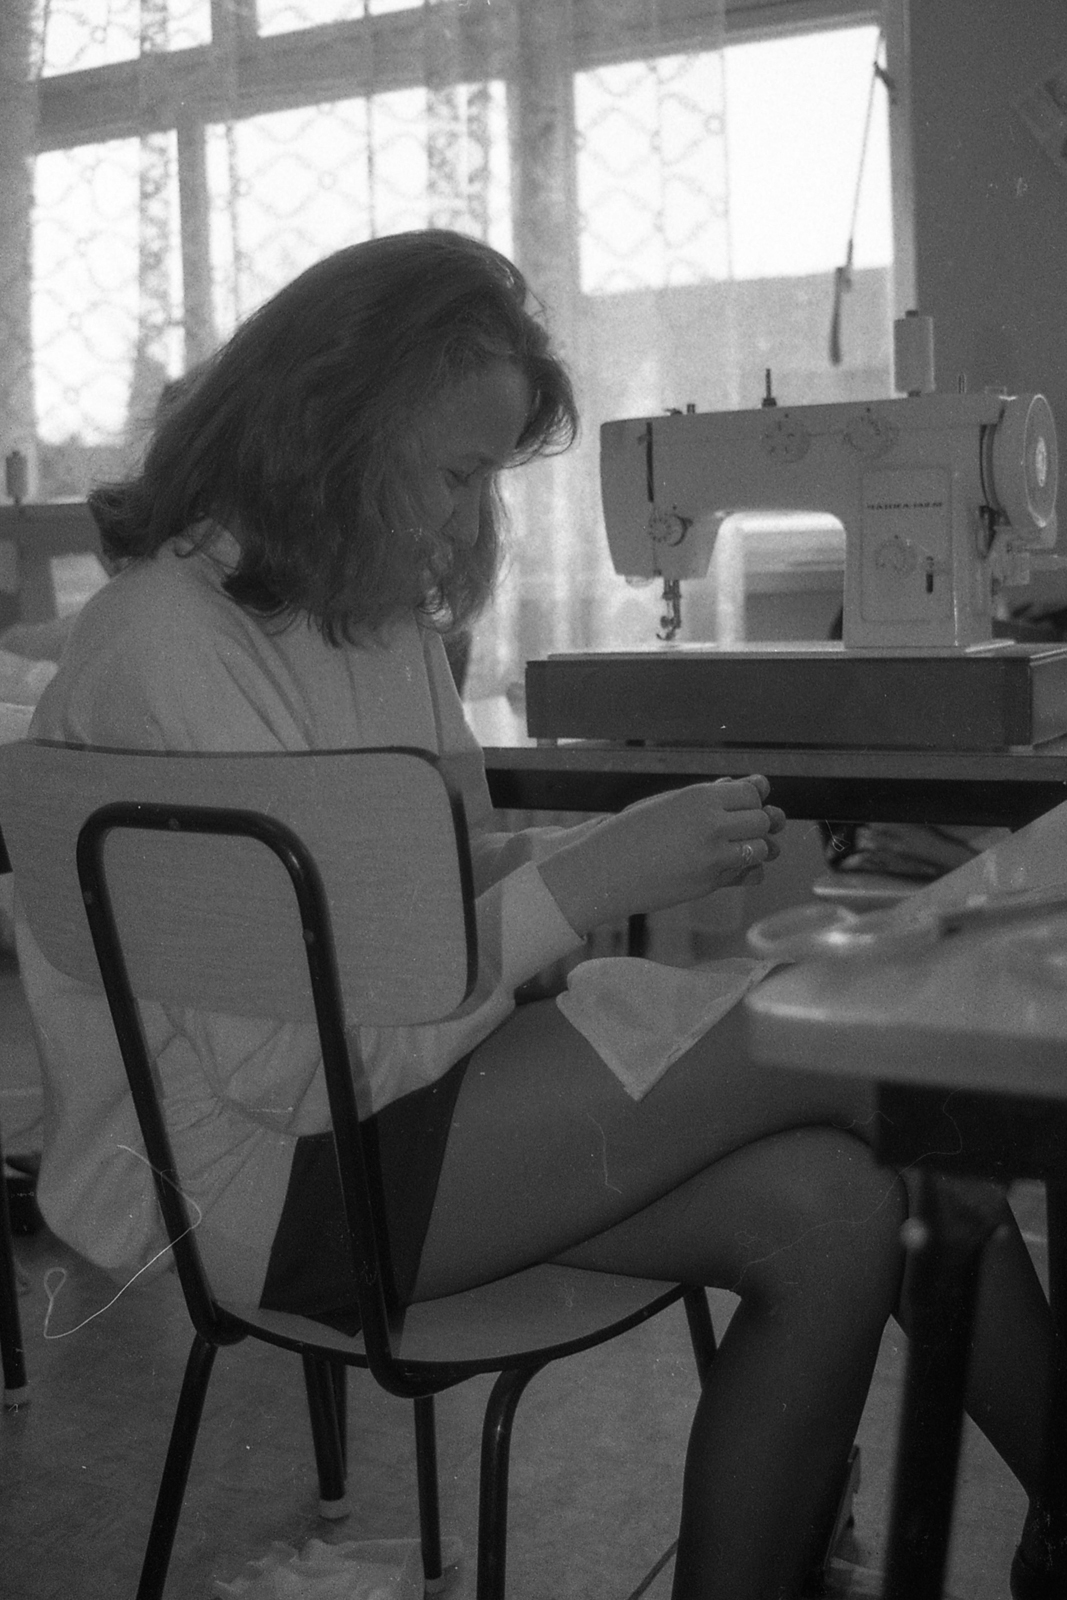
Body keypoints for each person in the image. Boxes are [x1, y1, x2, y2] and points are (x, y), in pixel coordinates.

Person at [14, 229, 1065, 1600]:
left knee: (842, 1209)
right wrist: (587, 884)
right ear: (328, 426)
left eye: (490, 479)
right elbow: (294, 1074)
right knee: (861, 1039)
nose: (471, 524)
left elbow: (423, 876)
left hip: (396, 1108)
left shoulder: (365, 612)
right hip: (271, 1183)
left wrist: (609, 848)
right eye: (456, 473)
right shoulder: (166, 650)